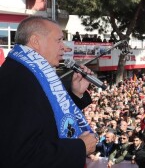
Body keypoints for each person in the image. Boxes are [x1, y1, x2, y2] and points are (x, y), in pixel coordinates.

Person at [0, 16, 97, 168]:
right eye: (59, 40)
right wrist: (80, 147)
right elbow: (19, 156)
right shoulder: (19, 80)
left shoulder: (28, 72)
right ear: (35, 41)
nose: (64, 47)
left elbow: (44, 118)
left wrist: (75, 95)